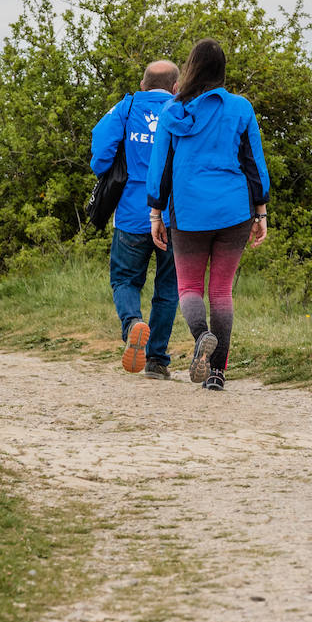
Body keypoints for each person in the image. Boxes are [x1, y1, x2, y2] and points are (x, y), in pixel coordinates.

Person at [145, 39, 269, 391]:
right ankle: (217, 373)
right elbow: (253, 163)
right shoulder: (240, 109)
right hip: (233, 211)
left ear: (191, 68)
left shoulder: (172, 112)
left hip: (188, 211)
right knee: (221, 291)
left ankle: (201, 336)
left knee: (188, 287)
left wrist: (156, 212)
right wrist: (260, 212)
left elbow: (161, 169)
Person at [90, 60, 180, 378]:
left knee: (125, 280)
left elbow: (100, 153)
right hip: (174, 215)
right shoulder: (184, 108)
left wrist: (112, 170)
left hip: (131, 213)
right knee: (168, 287)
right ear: (175, 87)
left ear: (143, 84)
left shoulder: (126, 108)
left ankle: (132, 324)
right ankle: (156, 361)